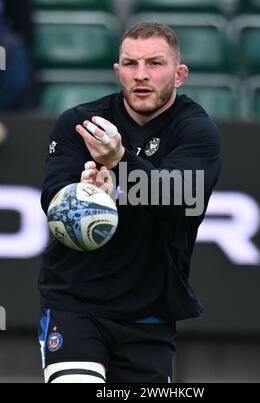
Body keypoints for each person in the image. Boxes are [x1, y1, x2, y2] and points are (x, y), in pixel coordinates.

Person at [38, 21, 221, 383]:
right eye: (130, 64)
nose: (141, 75)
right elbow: (52, 198)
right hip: (76, 303)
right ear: (117, 70)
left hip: (148, 314)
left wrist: (120, 162)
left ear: (179, 74)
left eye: (154, 63)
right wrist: (86, 192)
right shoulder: (80, 123)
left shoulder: (196, 131)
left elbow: (179, 196)